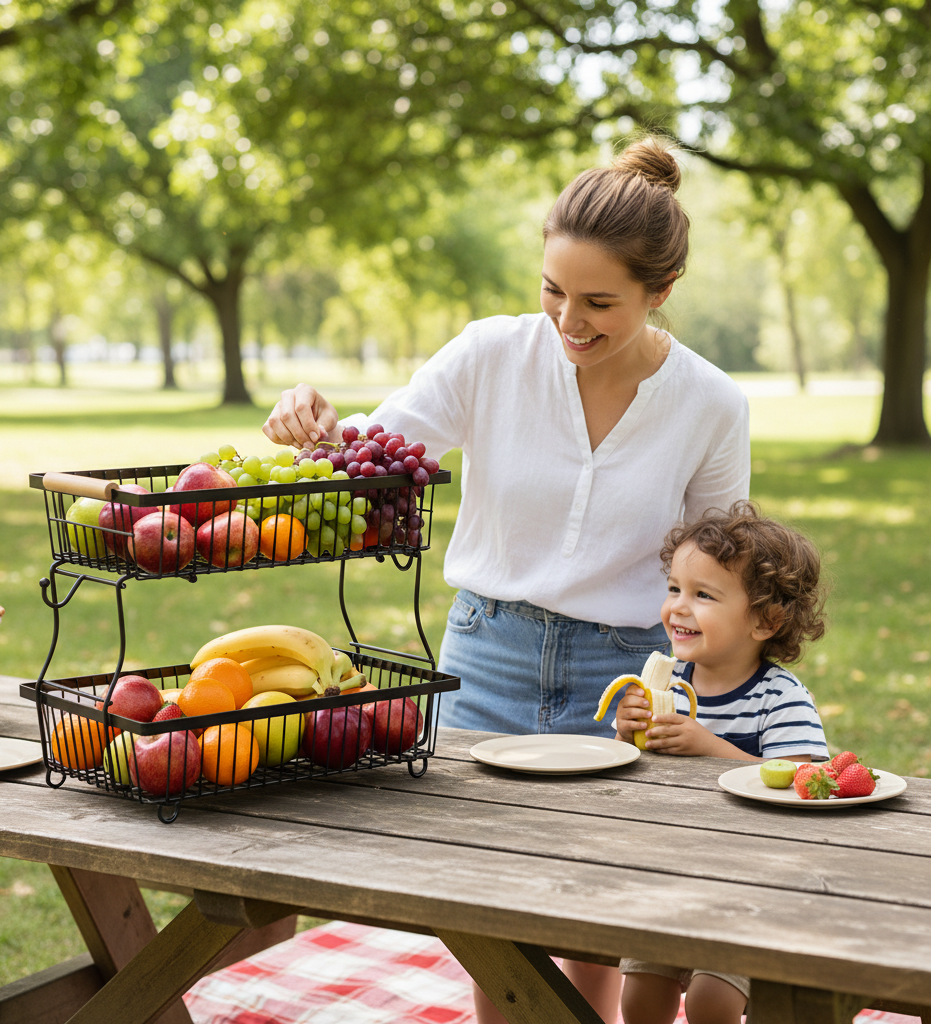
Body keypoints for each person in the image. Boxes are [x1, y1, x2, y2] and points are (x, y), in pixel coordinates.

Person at [264, 136, 750, 1024]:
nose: (570, 319)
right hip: (487, 655)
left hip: (626, 678)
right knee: (492, 909)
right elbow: (375, 457)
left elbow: (720, 568)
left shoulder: (711, 403)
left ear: (661, 293)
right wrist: (314, 424)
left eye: (600, 301)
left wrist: (709, 691)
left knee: (596, 909)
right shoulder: (490, 355)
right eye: (553, 289)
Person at [614, 501, 828, 1024]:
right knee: (638, 998)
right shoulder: (671, 684)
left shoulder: (780, 698)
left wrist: (708, 747)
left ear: (765, 620)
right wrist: (627, 733)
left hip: (755, 885)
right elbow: (631, 776)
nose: (678, 608)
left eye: (702, 595)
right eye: (674, 589)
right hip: (673, 873)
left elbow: (806, 783)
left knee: (713, 1001)